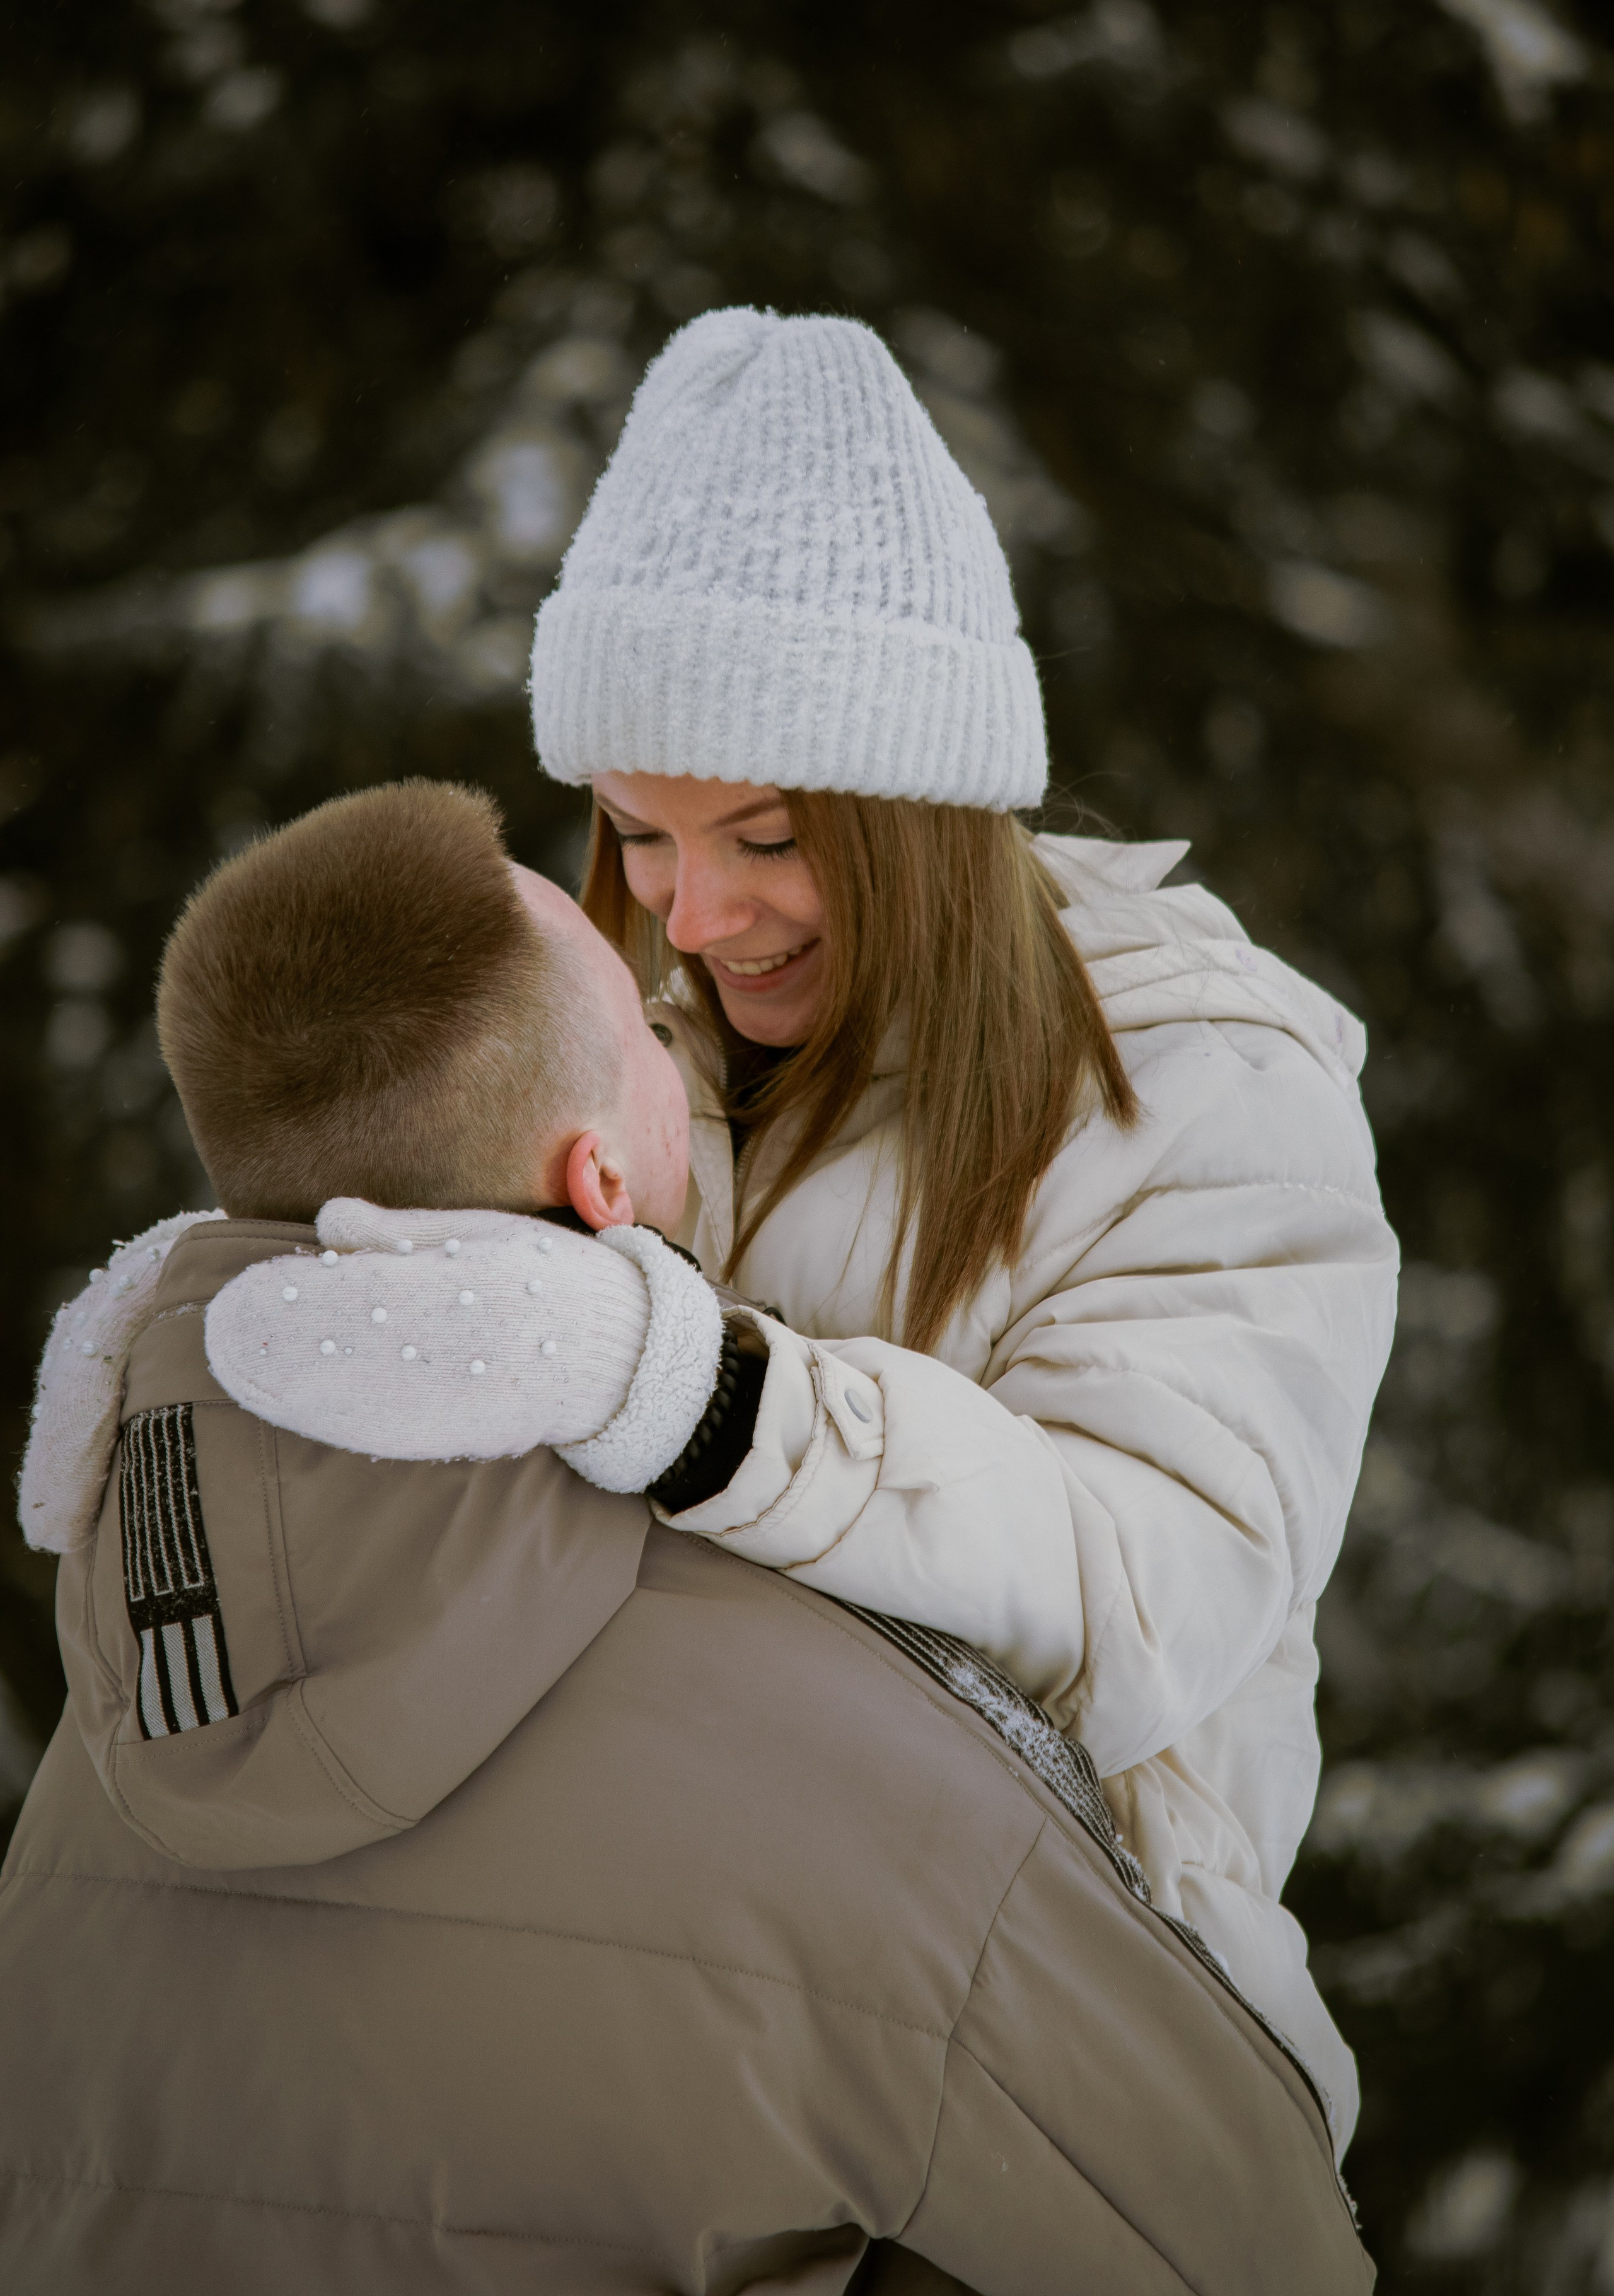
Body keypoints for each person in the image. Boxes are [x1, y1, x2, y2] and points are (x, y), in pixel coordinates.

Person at [195, 308, 1401, 2156]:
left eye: (765, 835)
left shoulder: (1213, 1097)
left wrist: (712, 1401)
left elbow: (1143, 1585)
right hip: (659, 2028)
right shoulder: (624, 1049)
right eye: (641, 835)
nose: (696, 917)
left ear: (922, 812)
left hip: (1071, 2054)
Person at [0, 780, 1372, 2292]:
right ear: (598, 1183)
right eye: (648, 1033)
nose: (691, 952)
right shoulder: (882, 1799)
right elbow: (1253, 2245)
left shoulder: (87, 1790)